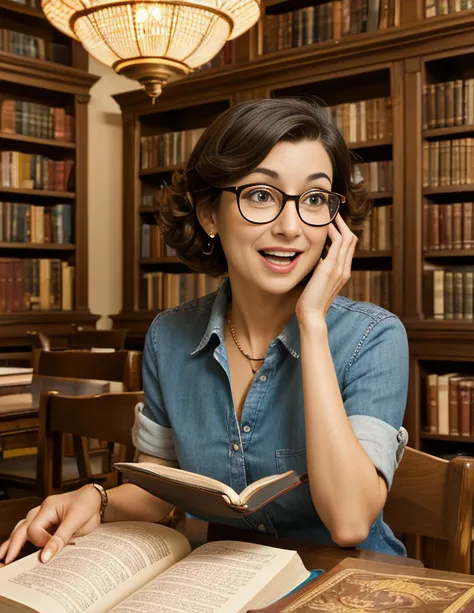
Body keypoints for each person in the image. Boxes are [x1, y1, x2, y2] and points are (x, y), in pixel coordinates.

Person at [0, 97, 408, 566]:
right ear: (209, 214)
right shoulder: (168, 336)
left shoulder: (375, 337)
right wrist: (97, 498)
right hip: (223, 589)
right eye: (260, 195)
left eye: (314, 199)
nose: (291, 226)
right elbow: (158, 489)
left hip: (351, 600)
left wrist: (312, 324)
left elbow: (350, 521)